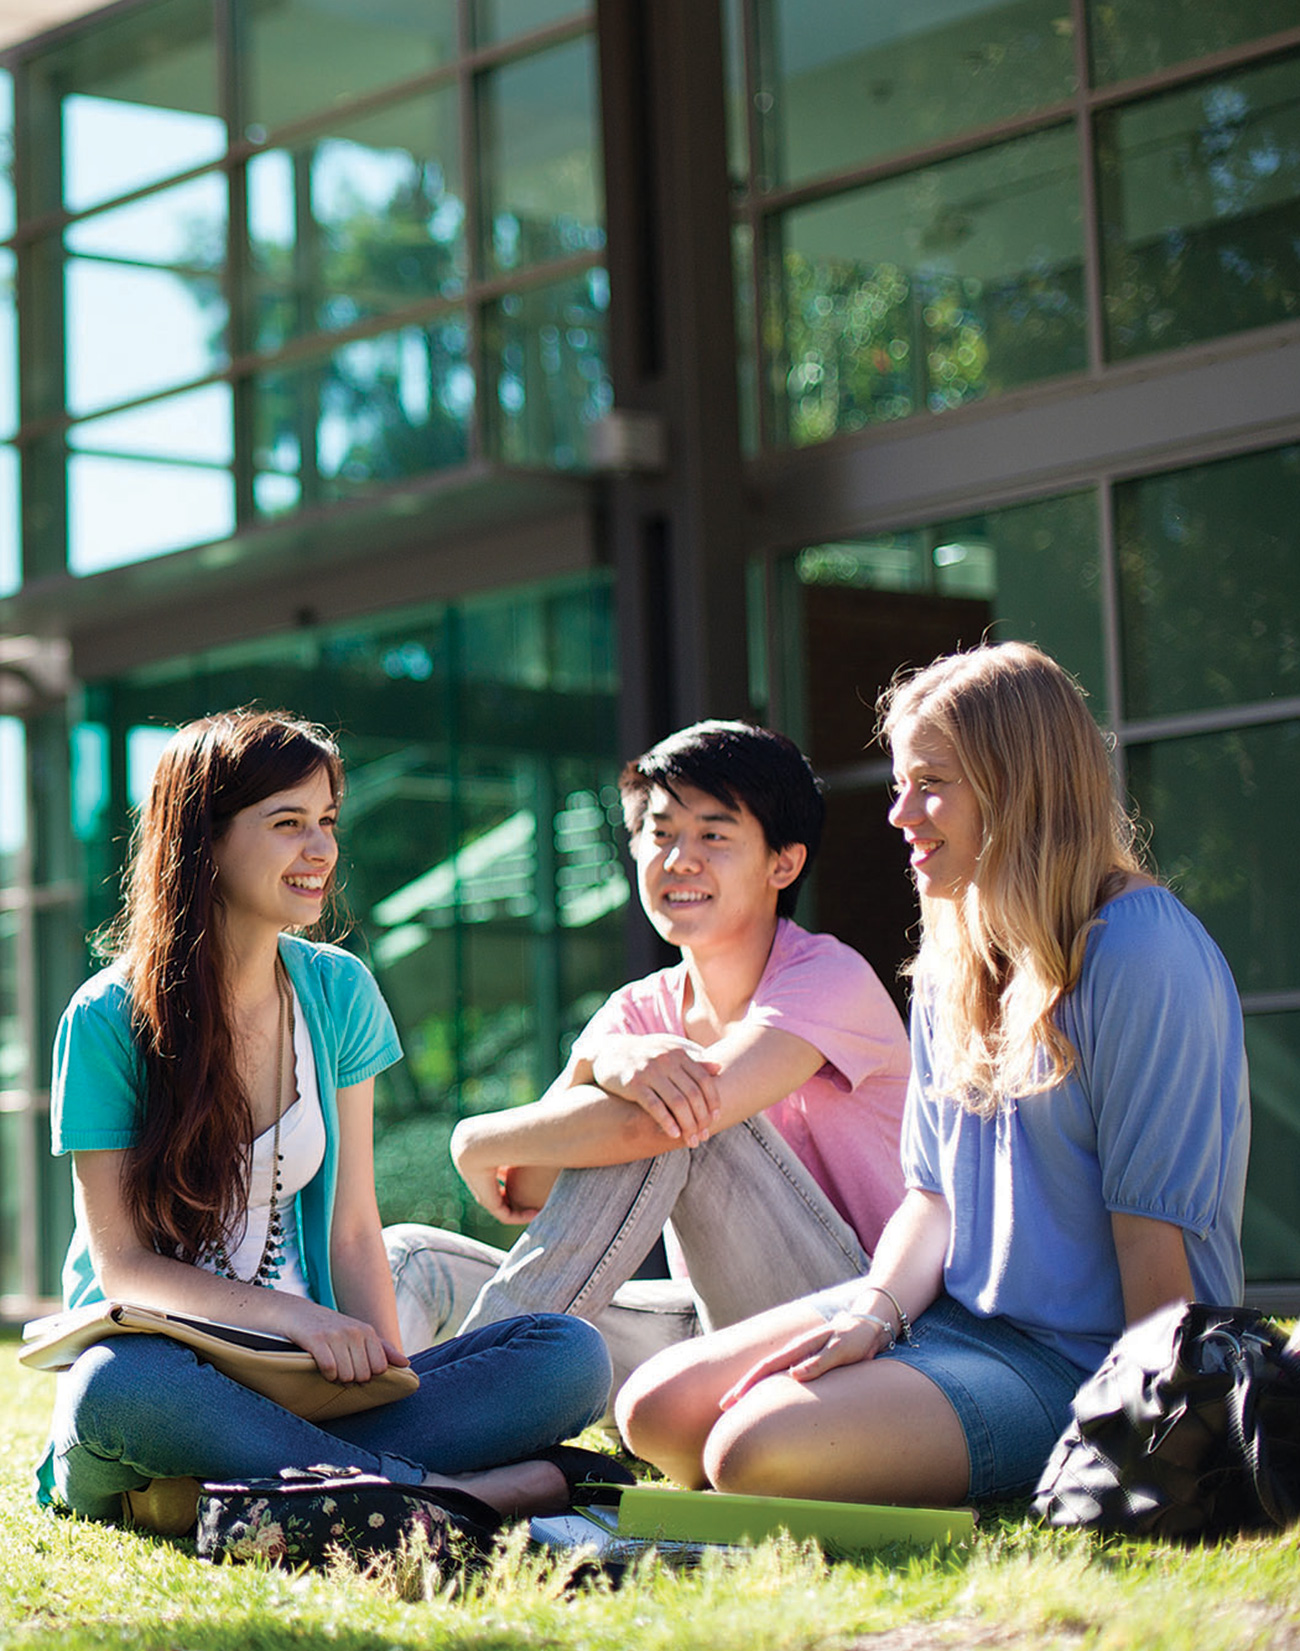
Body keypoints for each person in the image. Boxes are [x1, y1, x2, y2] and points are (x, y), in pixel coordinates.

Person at [616, 644, 1251, 1508]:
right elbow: (932, 1200)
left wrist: (1148, 1445)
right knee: (655, 1410)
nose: (900, 813)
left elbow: (1154, 1244)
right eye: (898, 784)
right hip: (950, 1318)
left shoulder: (1141, 951)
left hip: (1084, 1358)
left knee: (748, 1455)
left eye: (932, 784)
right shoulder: (955, 957)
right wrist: (869, 1319)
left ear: (1018, 786)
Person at [36, 709, 611, 1529]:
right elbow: (124, 1267)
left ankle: (266, 1489)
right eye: (287, 824)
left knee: (568, 1356)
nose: (322, 851)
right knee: (112, 1388)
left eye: (327, 823)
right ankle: (451, 1495)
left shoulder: (337, 992)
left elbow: (351, 1230)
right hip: (172, 1381)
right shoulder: (107, 1019)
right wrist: (300, 1318)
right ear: (206, 838)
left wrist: (387, 1378)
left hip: (314, 1392)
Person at [386, 719, 909, 1392]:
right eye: (660, 834)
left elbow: (645, 1130)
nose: (678, 859)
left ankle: (469, 1404)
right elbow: (531, 1187)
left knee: (680, 1107)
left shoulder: (828, 978)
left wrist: (473, 1136)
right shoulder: (637, 1011)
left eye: (713, 835)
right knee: (413, 1259)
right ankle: (353, 1447)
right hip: (715, 1323)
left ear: (783, 862)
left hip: (861, 1322)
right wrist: (595, 1064)